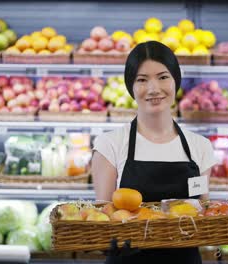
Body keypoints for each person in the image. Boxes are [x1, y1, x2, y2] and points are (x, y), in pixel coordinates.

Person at [92, 41, 216, 264]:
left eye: (163, 77)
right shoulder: (110, 144)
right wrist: (108, 245)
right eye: (142, 79)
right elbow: (102, 217)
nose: (153, 88)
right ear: (131, 86)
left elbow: (203, 212)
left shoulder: (200, 147)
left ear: (175, 80)